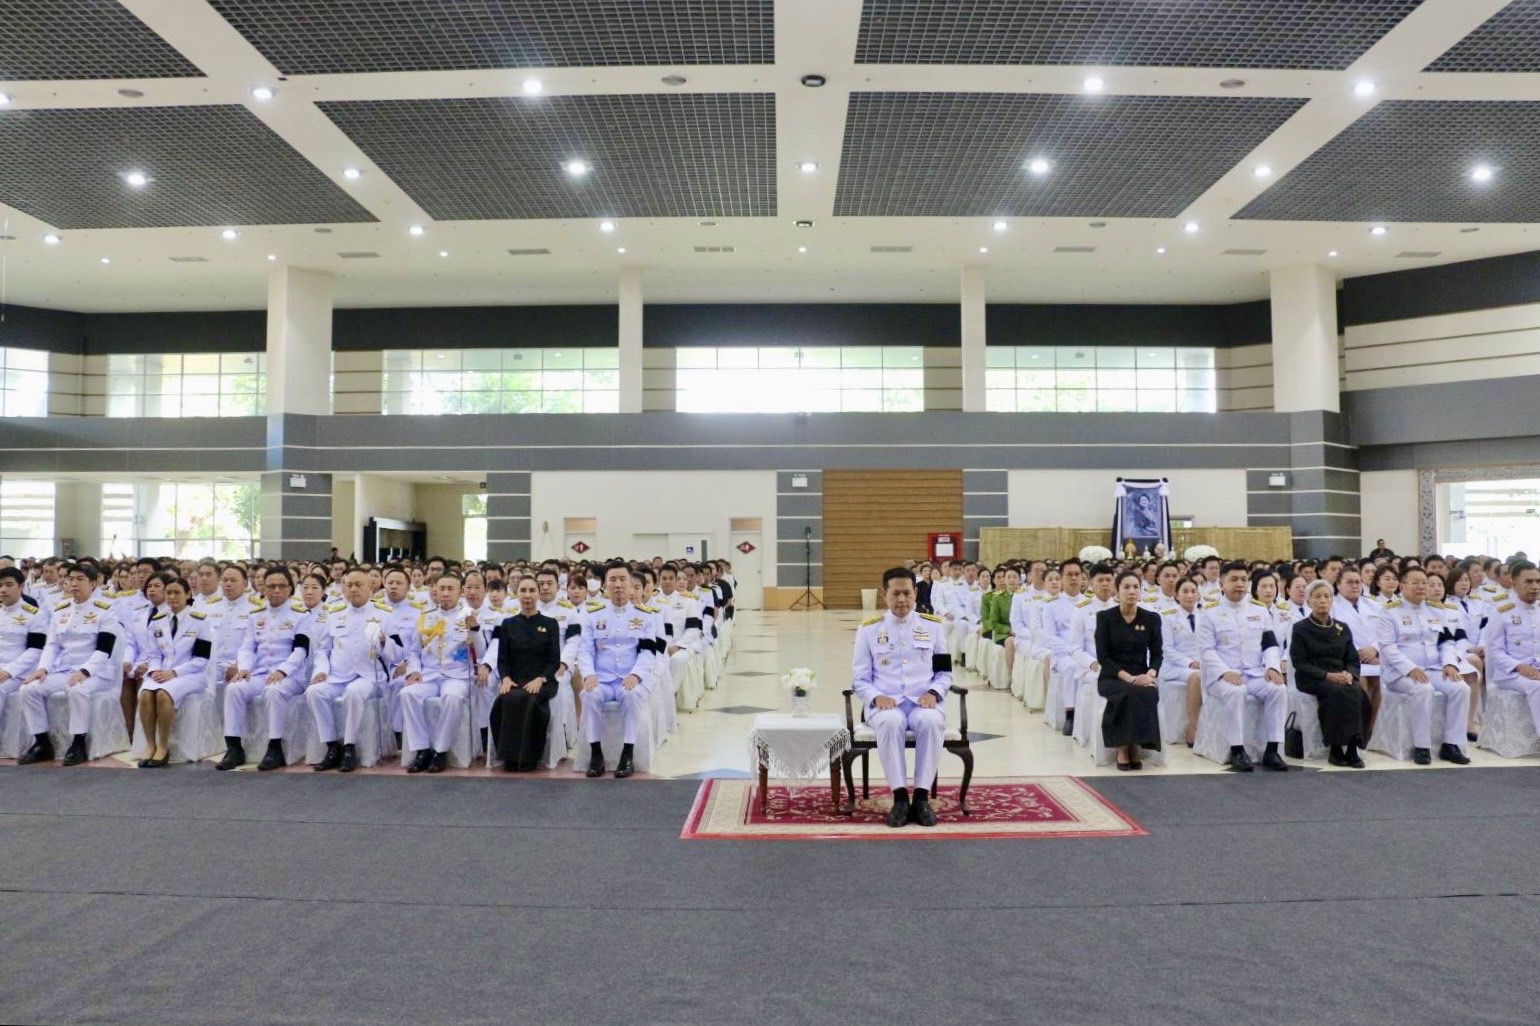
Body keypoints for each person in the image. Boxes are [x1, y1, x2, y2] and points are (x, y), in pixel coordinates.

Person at [851, 567, 952, 828]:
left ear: (915, 592)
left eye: (907, 593)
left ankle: (921, 797)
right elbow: (860, 679)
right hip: (886, 703)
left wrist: (934, 692)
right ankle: (899, 797)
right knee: (890, 722)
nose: (902, 600)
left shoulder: (933, 626)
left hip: (923, 701)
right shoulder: (869, 630)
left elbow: (944, 673)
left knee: (931, 721)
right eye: (895, 594)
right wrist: (876, 697)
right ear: (883, 594)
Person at [16, 562, 122, 766]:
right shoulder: (61, 610)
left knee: (77, 689)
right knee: (29, 688)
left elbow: (104, 650)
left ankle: (78, 743)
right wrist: (43, 668)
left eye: (80, 579)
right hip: (64, 670)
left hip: (96, 673)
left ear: (93, 583)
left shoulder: (105, 611)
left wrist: (85, 671)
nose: (74, 584)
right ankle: (41, 742)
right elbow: (52, 645)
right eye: (70, 579)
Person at [307, 568, 404, 772]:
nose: (353, 589)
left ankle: (349, 747)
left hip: (370, 676)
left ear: (371, 587)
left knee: (354, 692)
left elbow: (398, 654)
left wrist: (384, 640)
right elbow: (323, 650)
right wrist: (321, 671)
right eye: (349, 585)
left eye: (358, 585)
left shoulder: (385, 614)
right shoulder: (334, 613)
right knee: (314, 692)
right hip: (337, 675)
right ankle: (332, 746)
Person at [217, 567, 314, 771]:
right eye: (271, 586)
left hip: (290, 676)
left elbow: (301, 651)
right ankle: (234, 747)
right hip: (260, 673)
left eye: (281, 586)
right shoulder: (255, 615)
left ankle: (275, 747)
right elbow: (247, 647)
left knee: (274, 691)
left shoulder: (301, 615)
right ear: (263, 588)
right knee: (234, 688)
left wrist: (283, 671)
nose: (276, 590)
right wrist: (244, 668)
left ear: (291, 588)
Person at [1196, 561, 1290, 772]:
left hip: (1254, 674)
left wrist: (1272, 667)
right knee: (1235, 692)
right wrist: (1225, 672)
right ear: (1222, 584)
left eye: (1243, 579)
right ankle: (1237, 750)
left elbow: (1270, 644)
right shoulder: (1209, 612)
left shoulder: (1259, 610)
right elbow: (1207, 650)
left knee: (1278, 689)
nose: (1239, 584)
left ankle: (1272, 750)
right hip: (1222, 676)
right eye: (1234, 580)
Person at [1378, 566, 1471, 766]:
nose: (1421, 587)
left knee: (1461, 688)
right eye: (1416, 583)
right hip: (1400, 673)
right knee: (1423, 689)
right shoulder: (1389, 612)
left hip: (1433, 668)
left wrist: (1449, 664)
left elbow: (1447, 642)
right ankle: (1422, 746)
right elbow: (1387, 647)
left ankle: (1452, 744)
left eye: (1424, 583)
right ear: (1403, 585)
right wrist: (1410, 668)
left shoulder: (1436, 610)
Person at [576, 563, 662, 779]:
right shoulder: (593, 615)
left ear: (631, 584)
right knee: (589, 695)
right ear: (605, 585)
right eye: (612, 580)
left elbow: (648, 653)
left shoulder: (645, 616)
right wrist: (588, 674)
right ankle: (596, 754)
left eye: (622, 579)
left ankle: (627, 754)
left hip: (628, 678)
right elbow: (584, 650)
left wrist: (636, 674)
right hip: (602, 679)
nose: (618, 584)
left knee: (632, 696)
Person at [398, 573, 479, 773]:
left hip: (457, 675)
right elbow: (414, 651)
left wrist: (474, 630)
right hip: (429, 675)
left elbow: (481, 651)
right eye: (441, 588)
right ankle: (422, 749)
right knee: (407, 693)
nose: (445, 593)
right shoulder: (426, 616)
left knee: (452, 697)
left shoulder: (469, 616)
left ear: (460, 592)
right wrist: (414, 671)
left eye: (450, 589)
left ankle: (440, 751)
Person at [1291, 580, 1370, 767]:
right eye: (1317, 597)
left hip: (1341, 676)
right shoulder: (1301, 628)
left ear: (1332, 601)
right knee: (1337, 692)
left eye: (1326, 596)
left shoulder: (1342, 628)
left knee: (1358, 692)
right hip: (1313, 677)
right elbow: (1300, 663)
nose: (1322, 601)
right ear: (1308, 601)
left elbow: (1352, 659)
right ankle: (1335, 749)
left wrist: (1350, 674)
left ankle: (1353, 747)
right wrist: (1327, 676)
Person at [135, 577, 212, 768]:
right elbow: (153, 654)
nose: (172, 597)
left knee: (163, 694)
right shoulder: (158, 620)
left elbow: (201, 660)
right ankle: (150, 745)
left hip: (191, 675)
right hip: (162, 672)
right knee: (145, 694)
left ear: (188, 594)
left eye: (177, 592)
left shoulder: (200, 621)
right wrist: (154, 670)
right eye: (168, 592)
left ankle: (163, 746)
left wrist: (174, 673)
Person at [488, 577, 561, 771]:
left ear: (538, 593)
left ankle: (529, 757)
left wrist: (541, 679)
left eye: (531, 591)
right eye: (523, 591)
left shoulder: (550, 624)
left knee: (531, 701)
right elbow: (502, 659)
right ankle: (509, 756)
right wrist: (505, 678)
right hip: (515, 680)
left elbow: (554, 660)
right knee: (504, 700)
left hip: (542, 680)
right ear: (516, 593)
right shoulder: (508, 624)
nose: (527, 595)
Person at [1095, 570, 1163, 770]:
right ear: (1117, 591)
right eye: (1126, 587)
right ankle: (1123, 748)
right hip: (1113, 675)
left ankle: (1137, 744)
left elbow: (1157, 654)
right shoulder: (1105, 618)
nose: (1132, 591)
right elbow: (1103, 657)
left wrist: (1150, 674)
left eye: (1136, 587)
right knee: (1126, 693)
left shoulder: (1151, 618)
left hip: (1141, 674)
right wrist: (1128, 678)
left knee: (1148, 692)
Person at [1485, 560, 1540, 739]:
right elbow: (1494, 651)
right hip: (1510, 674)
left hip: (1537, 670)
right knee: (1537, 687)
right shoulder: (1502, 612)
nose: (1535, 586)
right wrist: (1519, 666)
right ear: (1514, 584)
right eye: (1528, 582)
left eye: (1538, 581)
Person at [0, 567, 49, 743]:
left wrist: (8, 671)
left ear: (21, 587)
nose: (3, 590)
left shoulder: (35, 615)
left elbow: (36, 650)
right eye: (0, 585)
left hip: (19, 672)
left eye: (8, 585)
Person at [1158, 576, 1204, 746]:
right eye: (1185, 591)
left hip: (1203, 664)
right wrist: (1190, 663)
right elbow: (1167, 649)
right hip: (1175, 666)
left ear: (1198, 595)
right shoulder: (1167, 617)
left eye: (1193, 591)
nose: (1190, 595)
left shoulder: (1206, 616)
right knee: (1197, 677)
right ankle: (1192, 727)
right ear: (1176, 595)